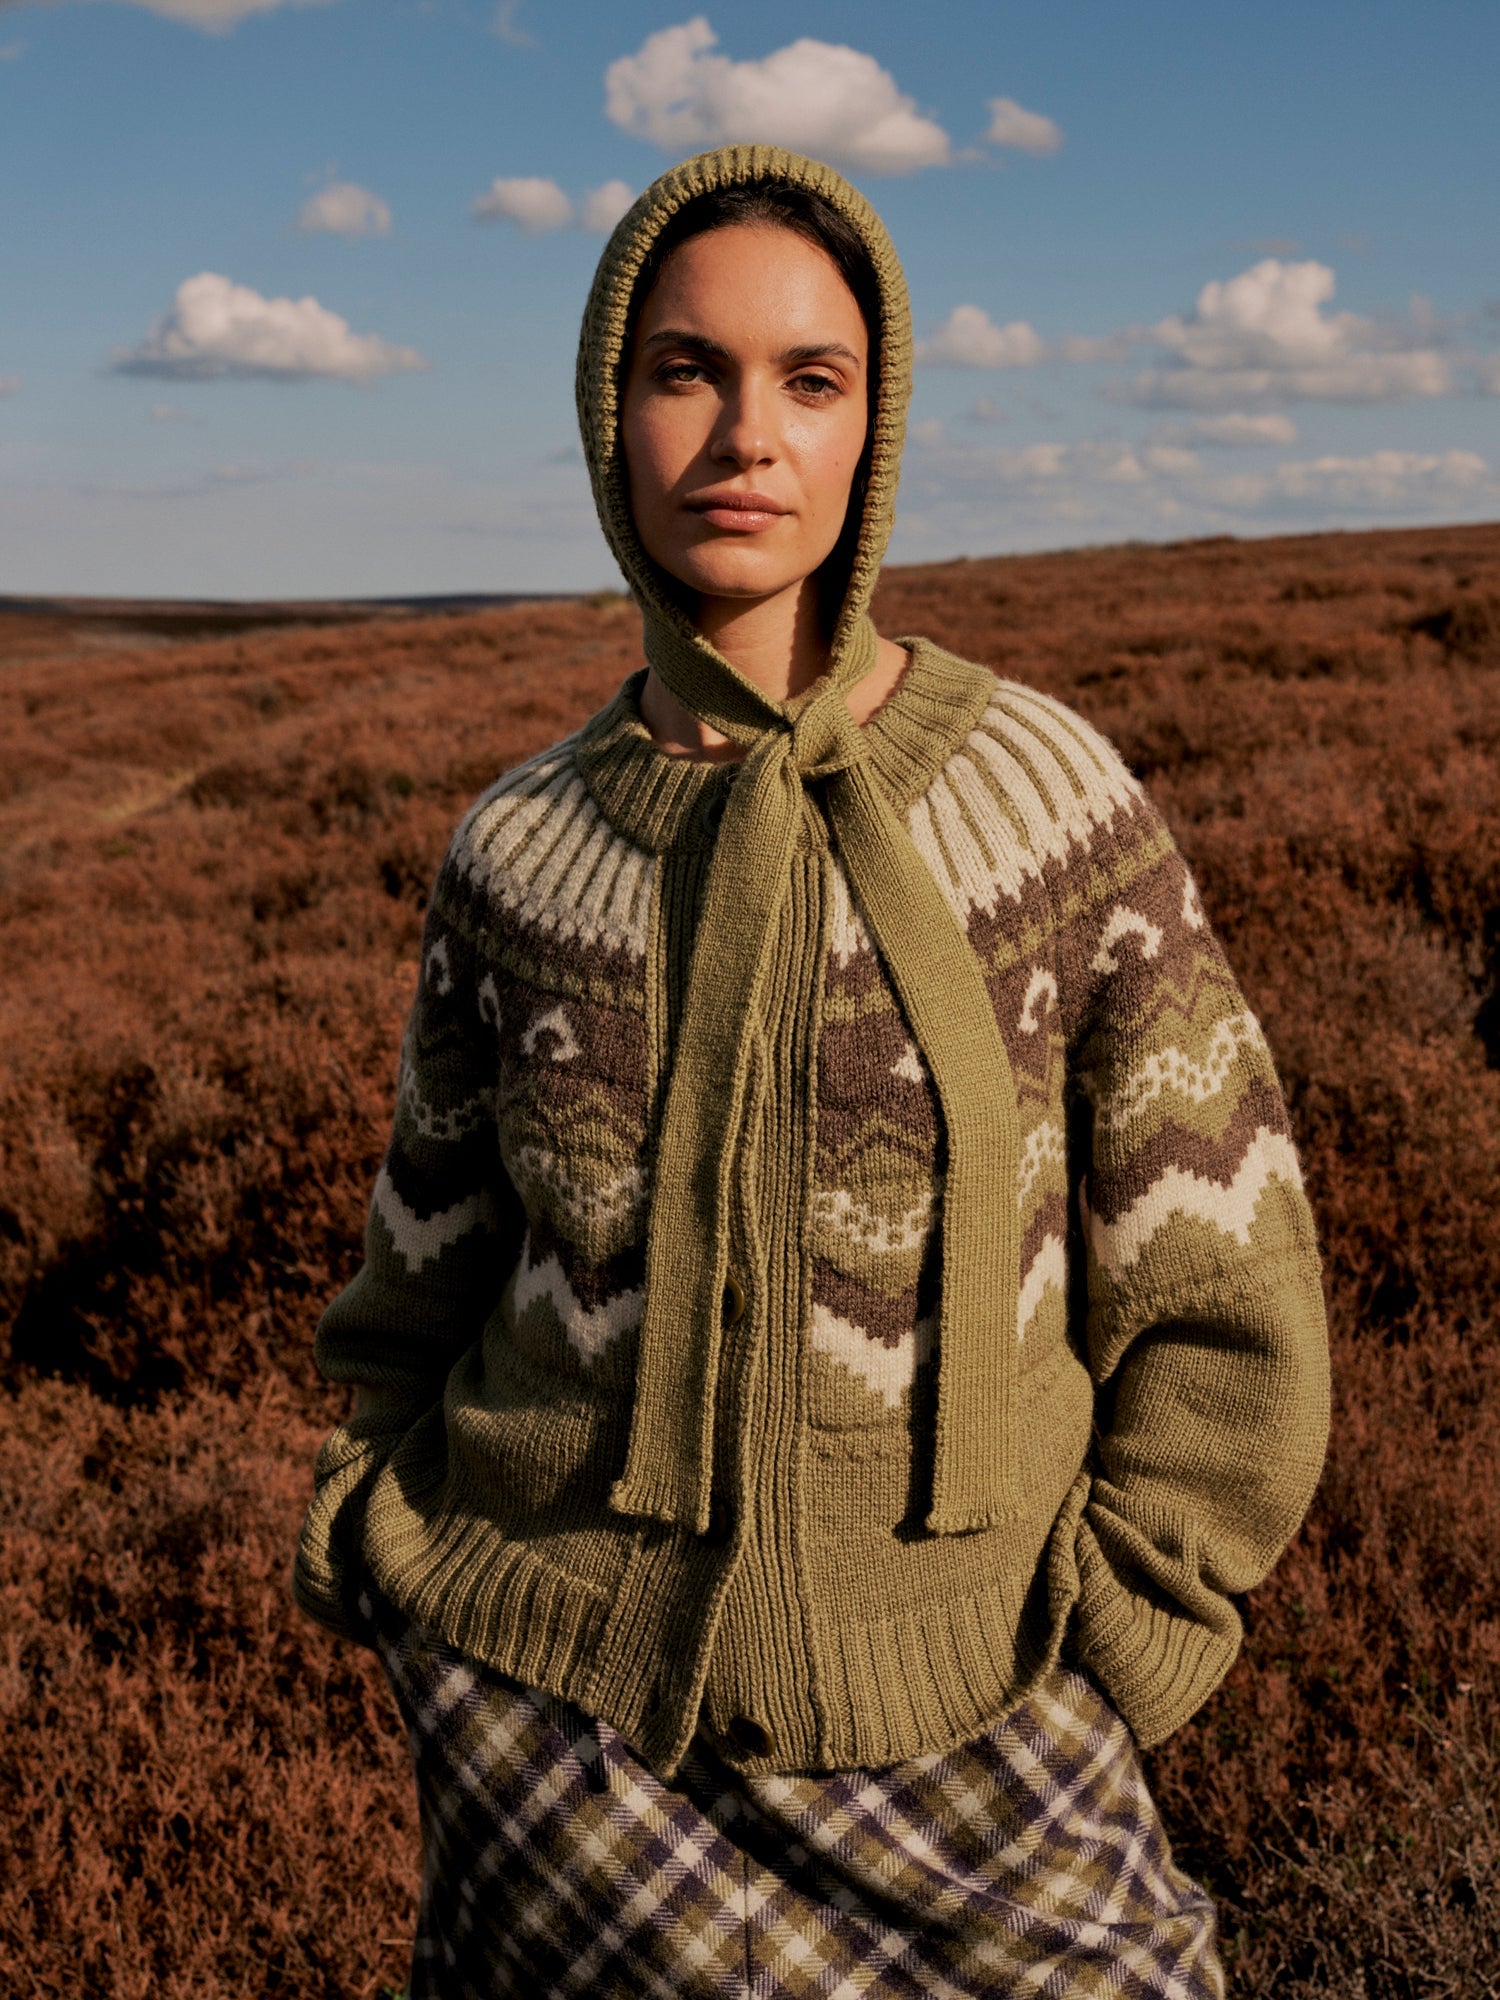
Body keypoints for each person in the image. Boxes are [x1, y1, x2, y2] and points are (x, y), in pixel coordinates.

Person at [293, 145, 1330, 1999]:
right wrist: (391, 1568)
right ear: (611, 415)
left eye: (811, 379)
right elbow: (425, 1268)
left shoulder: (1045, 804)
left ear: (877, 425)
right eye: (685, 370)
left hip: (982, 1729)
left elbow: (1222, 1267)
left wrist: (1131, 1634)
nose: (742, 434)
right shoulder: (516, 850)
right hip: (556, 1741)